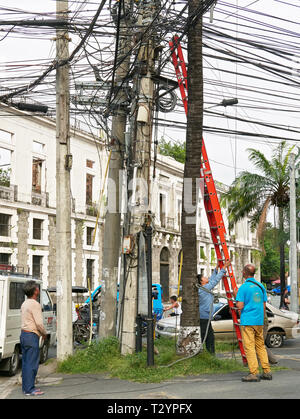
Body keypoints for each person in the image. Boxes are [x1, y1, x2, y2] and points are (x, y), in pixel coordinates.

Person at [235, 264, 272, 382]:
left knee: (249, 347)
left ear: (245, 273)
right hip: (259, 321)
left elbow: (239, 305)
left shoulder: (244, 287)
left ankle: (253, 373)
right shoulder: (261, 286)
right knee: (260, 346)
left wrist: (236, 298)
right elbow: (264, 305)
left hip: (248, 321)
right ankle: (267, 371)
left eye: (242, 271)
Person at [197, 260, 231, 355]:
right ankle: (207, 354)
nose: (206, 277)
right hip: (204, 318)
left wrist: (216, 269)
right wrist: (224, 268)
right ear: (201, 282)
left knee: (209, 337)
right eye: (204, 277)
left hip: (206, 317)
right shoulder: (203, 289)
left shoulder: (205, 287)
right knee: (206, 337)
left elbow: (211, 280)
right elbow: (215, 281)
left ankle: (210, 354)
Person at [20, 280, 47, 396]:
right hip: (32, 335)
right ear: (35, 291)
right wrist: (44, 333)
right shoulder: (35, 305)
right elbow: (39, 324)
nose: (38, 289)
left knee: (26, 363)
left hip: (24, 334)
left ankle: (26, 388)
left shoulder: (24, 303)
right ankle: (30, 389)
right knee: (32, 363)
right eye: (37, 288)